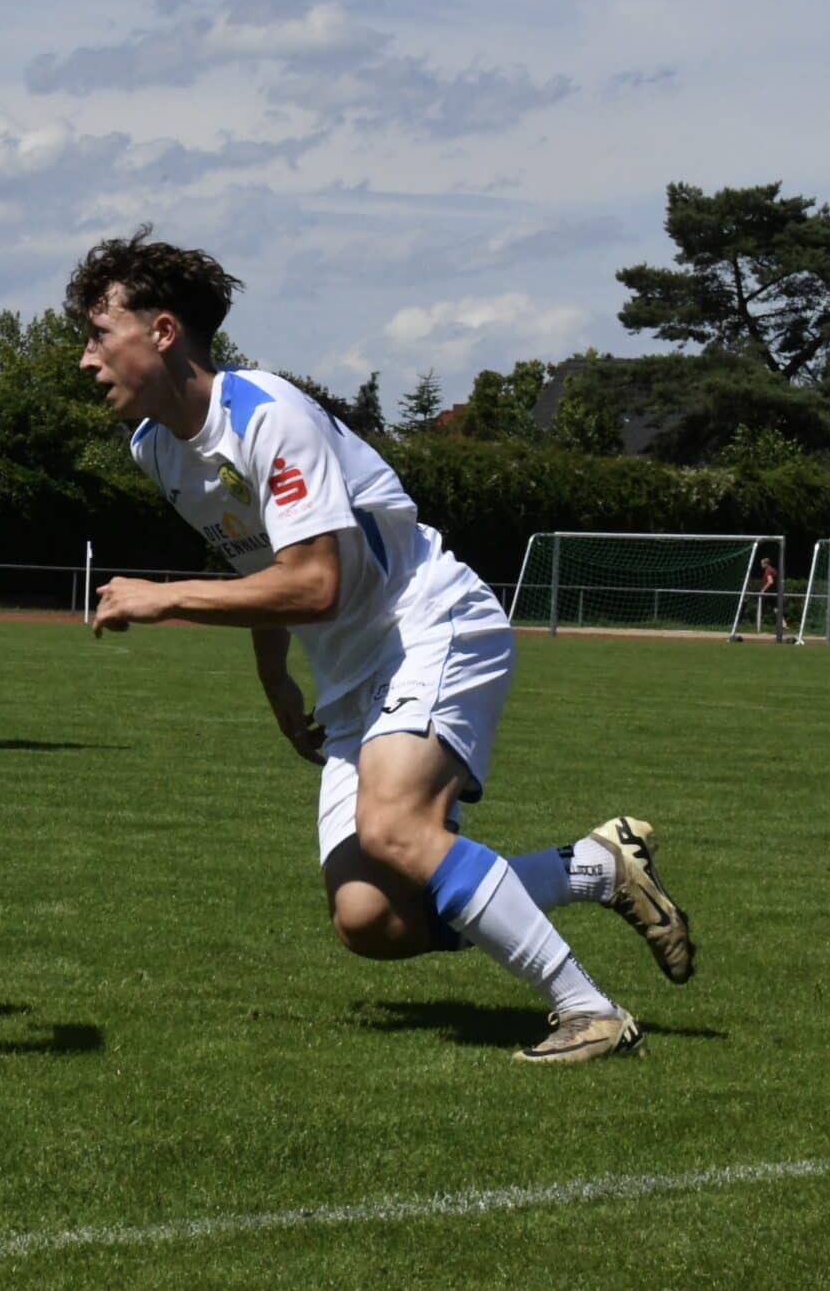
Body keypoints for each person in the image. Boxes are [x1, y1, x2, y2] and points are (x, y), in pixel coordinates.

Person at [69, 229, 694, 1063]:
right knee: (371, 918)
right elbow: (258, 556)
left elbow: (317, 582)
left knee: (396, 822)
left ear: (163, 331)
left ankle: (589, 1011)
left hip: (429, 624)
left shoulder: (266, 415)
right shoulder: (156, 448)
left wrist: (163, 598)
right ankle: (593, 868)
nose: (84, 358)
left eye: (97, 332)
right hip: (350, 675)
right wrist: (277, 684)